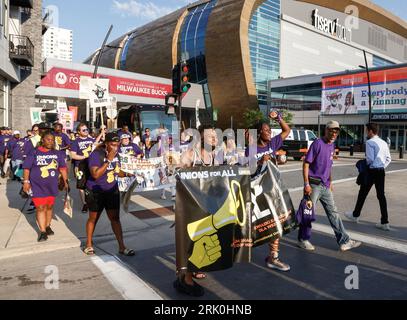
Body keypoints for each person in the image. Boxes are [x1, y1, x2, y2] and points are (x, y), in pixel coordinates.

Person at [302, 120, 362, 251]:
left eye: (336, 131)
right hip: (313, 185)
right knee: (308, 213)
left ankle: (344, 241)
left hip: (325, 185)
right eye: (332, 130)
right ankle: (303, 239)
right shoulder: (317, 143)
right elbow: (306, 164)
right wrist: (306, 184)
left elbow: (329, 166)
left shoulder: (332, 145)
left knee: (333, 213)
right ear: (326, 130)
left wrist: (330, 182)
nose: (334, 133)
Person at [249, 111, 292, 271]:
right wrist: (260, 161)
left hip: (273, 191)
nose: (270, 132)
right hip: (258, 195)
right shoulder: (251, 150)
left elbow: (287, 131)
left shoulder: (272, 144)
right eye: (267, 130)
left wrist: (278, 118)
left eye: (270, 130)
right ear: (259, 132)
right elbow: (246, 171)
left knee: (276, 223)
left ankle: (273, 257)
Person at [83, 132, 135, 256]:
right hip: (96, 191)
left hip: (111, 190)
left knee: (115, 219)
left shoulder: (116, 154)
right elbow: (95, 174)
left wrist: (128, 174)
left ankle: (122, 246)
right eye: (112, 145)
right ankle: (88, 244)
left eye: (117, 145)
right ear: (106, 143)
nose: (115, 148)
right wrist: (108, 160)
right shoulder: (96, 154)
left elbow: (116, 171)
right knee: (93, 218)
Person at [22, 132, 69, 242]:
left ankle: (47, 226)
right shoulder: (34, 152)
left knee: (49, 207)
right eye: (48, 139)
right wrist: (26, 181)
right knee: (40, 207)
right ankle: (42, 232)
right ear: (42, 140)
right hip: (36, 186)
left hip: (52, 186)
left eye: (52, 140)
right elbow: (27, 168)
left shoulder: (58, 153)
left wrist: (66, 181)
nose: (51, 142)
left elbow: (62, 168)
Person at [345, 123, 392, 230]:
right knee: (381, 196)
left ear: (371, 131)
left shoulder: (370, 142)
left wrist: (368, 166)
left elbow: (369, 159)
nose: (366, 132)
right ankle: (385, 222)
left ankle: (355, 215)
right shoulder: (384, 142)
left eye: (367, 130)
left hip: (371, 171)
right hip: (380, 172)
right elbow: (389, 158)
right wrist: (381, 166)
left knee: (363, 193)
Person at [70, 123, 103, 213]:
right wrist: (85, 157)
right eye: (83, 130)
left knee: (93, 183)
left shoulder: (90, 139)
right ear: (78, 132)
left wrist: (101, 134)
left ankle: (94, 201)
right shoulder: (75, 142)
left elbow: (96, 143)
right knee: (82, 186)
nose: (86, 131)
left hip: (91, 165)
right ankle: (85, 204)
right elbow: (73, 155)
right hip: (80, 166)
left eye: (87, 129)